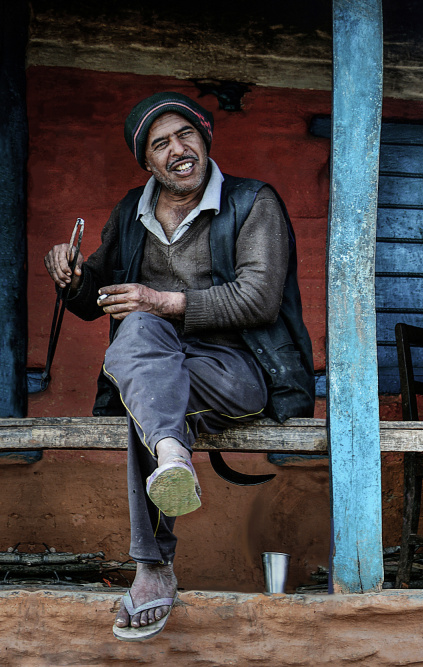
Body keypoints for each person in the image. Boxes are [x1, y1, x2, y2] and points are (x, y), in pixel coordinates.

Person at [43, 92, 314, 640]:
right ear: (147, 160)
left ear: (206, 138)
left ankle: (152, 565)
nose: (177, 150)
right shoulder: (130, 211)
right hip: (157, 366)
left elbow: (258, 299)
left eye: (185, 135)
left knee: (145, 381)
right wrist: (74, 280)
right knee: (140, 336)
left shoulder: (252, 201)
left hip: (238, 368)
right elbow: (101, 296)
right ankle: (172, 457)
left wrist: (160, 300)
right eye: (160, 143)